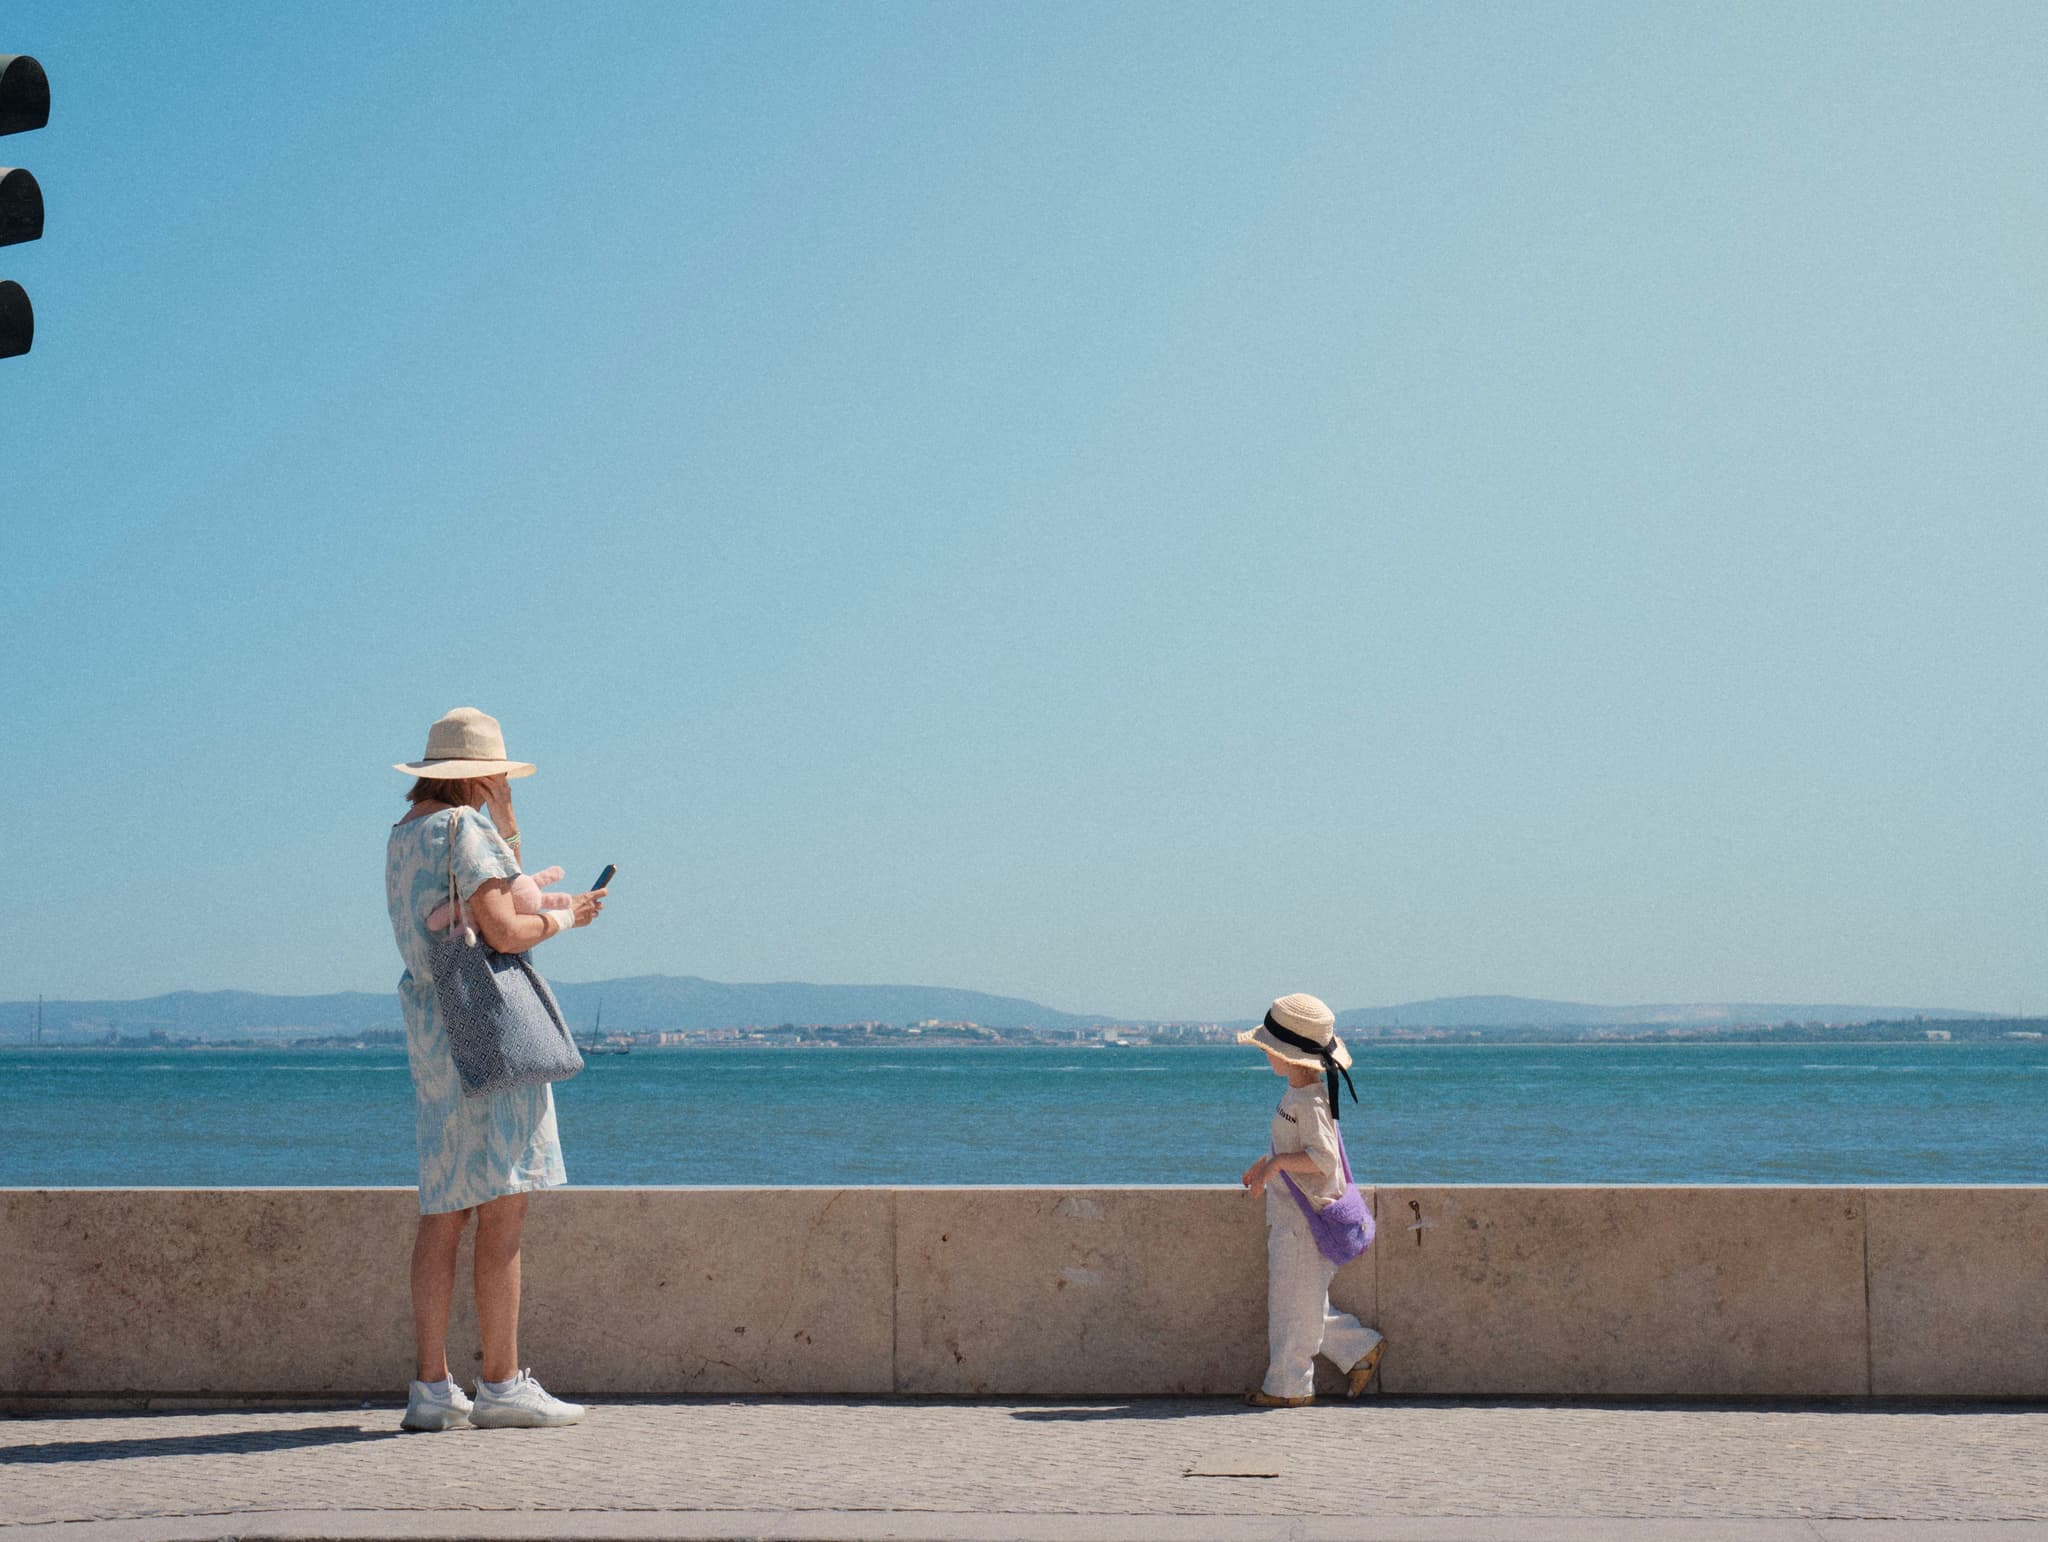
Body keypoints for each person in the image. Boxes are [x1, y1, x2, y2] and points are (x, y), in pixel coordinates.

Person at [386, 707, 607, 1431]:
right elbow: (508, 926)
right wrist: (570, 916)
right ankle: (504, 1382)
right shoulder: (463, 830)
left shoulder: (406, 836)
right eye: (495, 777)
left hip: (433, 1031)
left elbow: (484, 898)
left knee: (443, 1211)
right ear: (477, 775)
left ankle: (430, 1389)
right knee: (504, 1209)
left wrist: (505, 821)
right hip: (488, 1030)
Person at [1238, 993, 1385, 1406]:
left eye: (1271, 1049)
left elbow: (1322, 1160)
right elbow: (1296, 1146)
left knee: (1292, 1309)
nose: (1268, 1055)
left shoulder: (1311, 1101)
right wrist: (1266, 1163)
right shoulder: (1299, 1097)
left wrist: (1275, 1166)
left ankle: (1289, 1389)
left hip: (1307, 1221)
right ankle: (1360, 1349)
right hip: (1292, 1215)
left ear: (1291, 1056)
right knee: (1299, 1302)